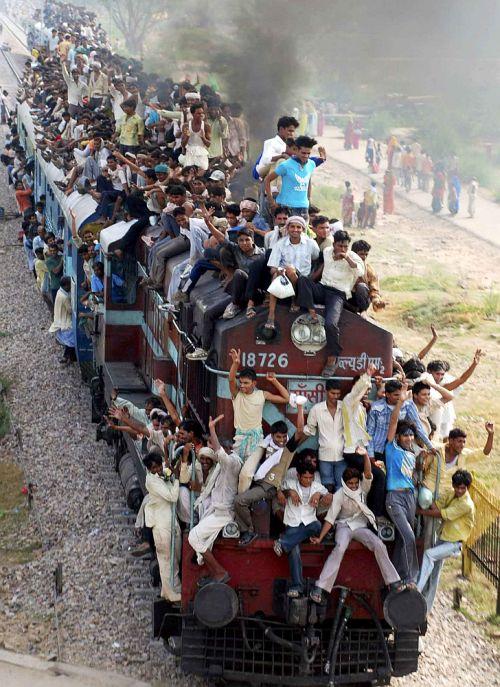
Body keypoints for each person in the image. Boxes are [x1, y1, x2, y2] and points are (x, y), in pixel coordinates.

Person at [309, 451, 402, 604]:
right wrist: (320, 537)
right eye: (350, 484)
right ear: (345, 483)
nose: (353, 486)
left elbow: (367, 472)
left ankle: (393, 581)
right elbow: (330, 519)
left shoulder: (363, 489)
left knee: (379, 544)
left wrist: (365, 455)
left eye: (355, 483)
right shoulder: (339, 494)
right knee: (339, 548)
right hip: (344, 526)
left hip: (361, 526)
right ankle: (321, 587)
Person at [234, 408, 306, 547]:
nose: (282, 440)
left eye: (284, 437)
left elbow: (300, 431)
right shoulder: (265, 444)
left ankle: (248, 531)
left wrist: (300, 407)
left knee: (239, 501)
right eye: (278, 437)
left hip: (268, 486)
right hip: (259, 482)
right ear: (272, 436)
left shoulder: (287, 449)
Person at [297, 229, 365, 377]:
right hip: (322, 288)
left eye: (345, 246)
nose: (342, 249)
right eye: (340, 246)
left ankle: (332, 358)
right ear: (334, 244)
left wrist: (347, 257)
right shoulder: (327, 251)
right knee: (302, 280)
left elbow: (360, 272)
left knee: (330, 324)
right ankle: (310, 309)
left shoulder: (353, 257)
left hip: (338, 294)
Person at [188, 415, 242, 585]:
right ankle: (213, 571)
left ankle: (219, 572)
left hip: (223, 514)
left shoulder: (233, 462)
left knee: (193, 537)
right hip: (216, 511)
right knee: (201, 539)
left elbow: (220, 454)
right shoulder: (222, 464)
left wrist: (212, 429)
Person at [417, 469, 475, 611]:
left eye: (463, 488)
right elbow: (437, 506)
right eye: (458, 487)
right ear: (454, 485)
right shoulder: (451, 494)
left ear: (467, 488)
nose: (460, 490)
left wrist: (420, 512)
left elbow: (443, 514)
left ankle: (417, 591)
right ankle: (424, 606)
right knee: (434, 572)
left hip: (454, 544)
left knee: (428, 555)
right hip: (444, 538)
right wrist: (426, 497)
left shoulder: (466, 504)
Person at [273, 458, 328, 598]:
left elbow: (330, 496)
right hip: (293, 524)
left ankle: (283, 543)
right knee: (294, 549)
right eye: (305, 477)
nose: (308, 480)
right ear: (298, 476)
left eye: (310, 478)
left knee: (317, 525)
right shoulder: (290, 483)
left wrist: (319, 494)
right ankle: (297, 586)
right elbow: (279, 490)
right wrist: (290, 492)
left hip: (310, 524)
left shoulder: (317, 486)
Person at [384, 384, 420, 586]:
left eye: (411, 435)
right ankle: (410, 577)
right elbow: (393, 421)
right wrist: (401, 401)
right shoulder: (392, 448)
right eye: (405, 435)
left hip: (410, 497)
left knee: (402, 539)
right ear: (398, 436)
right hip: (395, 498)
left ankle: (396, 578)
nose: (409, 438)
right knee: (410, 537)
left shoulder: (411, 452)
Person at [228, 348, 289, 460]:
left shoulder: (262, 394)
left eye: (246, 383)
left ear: (254, 383)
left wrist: (274, 381)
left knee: (249, 473)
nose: (242, 385)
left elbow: (286, 398)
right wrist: (235, 364)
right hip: (240, 438)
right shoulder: (237, 394)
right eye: (241, 382)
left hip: (257, 439)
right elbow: (231, 380)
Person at [265, 215, 319, 330]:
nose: (295, 230)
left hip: (303, 282)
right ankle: (271, 315)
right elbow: (272, 267)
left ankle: (295, 300)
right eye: (292, 227)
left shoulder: (310, 244)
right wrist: (280, 271)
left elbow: (315, 257)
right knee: (276, 274)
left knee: (290, 269)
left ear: (303, 229)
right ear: (287, 228)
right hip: (284, 279)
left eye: (298, 227)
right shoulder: (280, 244)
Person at [142, 452, 182, 603]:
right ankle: (171, 593)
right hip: (161, 525)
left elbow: (167, 472)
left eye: (159, 466)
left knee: (174, 560)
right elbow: (172, 496)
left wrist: (171, 470)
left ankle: (172, 590)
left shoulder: (160, 475)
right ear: (149, 469)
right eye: (154, 468)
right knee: (166, 560)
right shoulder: (152, 481)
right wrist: (176, 480)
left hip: (170, 523)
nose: (158, 469)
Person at [367, 379, 434, 461]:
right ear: (387, 394)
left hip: (398, 449)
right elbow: (370, 433)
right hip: (379, 449)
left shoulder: (408, 405)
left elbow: (418, 427)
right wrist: (370, 455)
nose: (399, 398)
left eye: (400, 395)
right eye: (396, 395)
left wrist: (430, 446)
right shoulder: (376, 407)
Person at [304, 379, 345, 492]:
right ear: (326, 392)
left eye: (338, 393)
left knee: (340, 487)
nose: (335, 396)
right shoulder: (317, 409)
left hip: (342, 454)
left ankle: (337, 509)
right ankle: (327, 509)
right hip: (324, 455)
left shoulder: (345, 407)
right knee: (326, 486)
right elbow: (309, 429)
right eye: (333, 393)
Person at [265, 136, 318, 220]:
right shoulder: (285, 165)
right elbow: (267, 180)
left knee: (302, 233)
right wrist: (271, 202)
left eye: (308, 153)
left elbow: (308, 182)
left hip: (303, 208)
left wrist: (308, 200)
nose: (306, 156)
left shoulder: (311, 164)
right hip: (286, 207)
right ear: (296, 150)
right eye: (303, 153)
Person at [350, 239, 386, 313]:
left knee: (361, 286)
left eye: (366, 254)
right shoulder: (344, 264)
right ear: (353, 254)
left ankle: (362, 311)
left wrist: (376, 301)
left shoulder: (370, 270)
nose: (364, 257)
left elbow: (374, 291)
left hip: (360, 300)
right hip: (346, 298)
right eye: (361, 254)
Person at [49, 276, 76, 364]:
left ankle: (68, 357)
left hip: (58, 320)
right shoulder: (65, 297)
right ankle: (69, 357)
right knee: (71, 340)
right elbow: (70, 310)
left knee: (69, 341)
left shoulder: (59, 292)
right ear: (66, 285)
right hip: (64, 322)